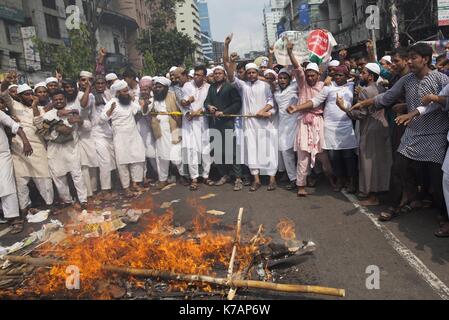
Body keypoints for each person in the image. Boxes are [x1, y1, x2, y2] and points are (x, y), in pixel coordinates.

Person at [354, 43, 449, 222]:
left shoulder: (441, 79)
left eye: (414, 58)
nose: (410, 62)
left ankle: (444, 215)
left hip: (436, 134)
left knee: (437, 178)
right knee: (398, 169)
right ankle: (393, 206)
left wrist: (421, 106)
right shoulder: (407, 80)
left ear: (426, 59)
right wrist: (364, 103)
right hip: (413, 133)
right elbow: (387, 97)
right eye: (409, 58)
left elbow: (444, 102)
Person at [290, 65, 358, 193]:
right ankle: (339, 180)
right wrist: (297, 108)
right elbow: (315, 101)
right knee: (334, 157)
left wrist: (351, 74)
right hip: (330, 127)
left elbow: (365, 77)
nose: (338, 77)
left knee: (349, 157)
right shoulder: (328, 88)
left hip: (346, 126)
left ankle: (351, 182)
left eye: (341, 75)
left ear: (347, 76)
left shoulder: (352, 86)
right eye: (336, 75)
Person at [224, 34, 278, 192]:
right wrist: (228, 50)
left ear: (257, 73)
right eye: (249, 73)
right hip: (249, 125)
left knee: (269, 150)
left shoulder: (265, 85)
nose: (252, 75)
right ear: (246, 75)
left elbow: (270, 101)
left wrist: (263, 110)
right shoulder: (243, 86)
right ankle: (256, 180)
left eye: (254, 72)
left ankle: (272, 179)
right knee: (252, 151)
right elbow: (230, 75)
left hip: (264, 123)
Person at [339, 63, 392, 206]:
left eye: (363, 72)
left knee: (368, 163)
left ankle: (372, 196)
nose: (361, 75)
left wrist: (343, 108)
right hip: (383, 127)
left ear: (371, 76)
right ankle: (381, 191)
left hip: (370, 129)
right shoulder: (383, 88)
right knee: (381, 162)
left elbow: (361, 114)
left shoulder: (365, 92)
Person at [286, 40, 334, 197]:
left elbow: (315, 103)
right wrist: (290, 52)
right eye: (308, 75)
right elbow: (297, 68)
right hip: (303, 123)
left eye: (313, 75)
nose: (310, 78)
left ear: (318, 75)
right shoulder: (302, 84)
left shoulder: (323, 86)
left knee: (323, 157)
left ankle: (332, 181)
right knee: (303, 155)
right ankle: (301, 185)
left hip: (318, 122)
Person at [6, 84, 54, 216]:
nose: (29, 96)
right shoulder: (14, 105)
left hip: (37, 147)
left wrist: (34, 107)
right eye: (26, 94)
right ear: (19, 96)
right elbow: (3, 93)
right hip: (19, 148)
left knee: (44, 178)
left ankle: (49, 204)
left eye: (30, 93)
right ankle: (24, 209)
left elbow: (40, 124)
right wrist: (7, 81)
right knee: (21, 180)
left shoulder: (40, 109)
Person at [42, 89, 88, 209]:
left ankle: (83, 200)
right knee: (58, 176)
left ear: (65, 100)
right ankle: (67, 200)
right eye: (56, 100)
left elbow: (79, 127)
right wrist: (59, 128)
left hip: (71, 147)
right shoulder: (47, 115)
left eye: (61, 99)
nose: (58, 101)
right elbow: (45, 134)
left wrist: (73, 121)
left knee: (77, 174)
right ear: (52, 101)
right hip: (55, 149)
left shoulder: (73, 111)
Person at [101, 80, 147, 197]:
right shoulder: (112, 102)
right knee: (122, 162)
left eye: (128, 90)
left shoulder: (129, 102)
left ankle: (135, 183)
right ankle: (126, 187)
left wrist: (143, 104)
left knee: (137, 158)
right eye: (124, 91)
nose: (127, 93)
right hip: (120, 137)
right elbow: (102, 119)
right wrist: (110, 110)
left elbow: (139, 110)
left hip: (133, 134)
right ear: (117, 93)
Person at [204, 66, 243, 190]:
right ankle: (224, 175)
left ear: (224, 75)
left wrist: (225, 112)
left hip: (227, 123)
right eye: (215, 73)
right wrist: (208, 107)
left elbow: (237, 103)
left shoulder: (230, 87)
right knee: (217, 151)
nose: (217, 75)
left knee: (231, 151)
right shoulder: (211, 87)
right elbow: (206, 102)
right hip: (214, 123)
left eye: (219, 73)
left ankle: (237, 178)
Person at [0, 104, 33, 234]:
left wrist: (25, 141)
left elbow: (15, 126)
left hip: (2, 155)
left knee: (6, 185)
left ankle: (14, 219)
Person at [149, 77, 185, 190]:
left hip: (173, 128)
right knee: (162, 156)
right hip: (159, 130)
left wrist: (179, 118)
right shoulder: (153, 98)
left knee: (177, 155)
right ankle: (163, 180)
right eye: (156, 87)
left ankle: (184, 176)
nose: (157, 89)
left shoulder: (173, 95)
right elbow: (147, 110)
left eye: (160, 87)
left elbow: (182, 109)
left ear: (165, 88)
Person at [181, 66, 213, 191]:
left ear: (204, 76)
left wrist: (200, 111)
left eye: (199, 75)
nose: (196, 77)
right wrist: (188, 109)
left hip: (203, 122)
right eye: (195, 74)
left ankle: (206, 176)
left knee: (205, 150)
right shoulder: (187, 86)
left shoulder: (209, 87)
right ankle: (194, 178)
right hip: (189, 122)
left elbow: (209, 104)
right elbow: (182, 103)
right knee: (191, 150)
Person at [90, 75, 116, 199]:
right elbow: (100, 119)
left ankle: (111, 187)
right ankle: (105, 190)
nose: (100, 86)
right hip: (97, 133)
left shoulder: (107, 95)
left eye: (102, 83)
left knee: (111, 161)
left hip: (109, 133)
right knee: (104, 162)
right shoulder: (92, 97)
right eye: (98, 84)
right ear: (94, 85)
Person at [273, 67, 299, 191]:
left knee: (299, 152)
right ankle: (292, 178)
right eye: (280, 78)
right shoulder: (276, 91)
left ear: (290, 79)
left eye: (285, 78)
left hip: (296, 122)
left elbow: (299, 73)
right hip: (283, 125)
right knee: (284, 151)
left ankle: (305, 177)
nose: (282, 80)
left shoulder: (294, 87)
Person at [138, 77, 158, 186]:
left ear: (150, 88)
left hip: (154, 129)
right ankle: (144, 177)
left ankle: (160, 175)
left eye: (145, 89)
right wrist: (144, 103)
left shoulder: (156, 98)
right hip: (140, 129)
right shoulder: (137, 99)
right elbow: (143, 111)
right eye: (141, 89)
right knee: (142, 154)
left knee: (153, 153)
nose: (143, 91)